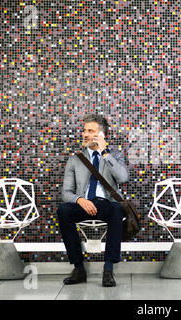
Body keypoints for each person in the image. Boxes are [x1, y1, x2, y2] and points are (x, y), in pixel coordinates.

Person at [57, 114, 129, 287]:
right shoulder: (75, 159)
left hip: (106, 204)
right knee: (63, 210)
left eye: (91, 131)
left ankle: (108, 269)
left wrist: (104, 153)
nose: (85, 134)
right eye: (84, 130)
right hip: (83, 203)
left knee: (117, 210)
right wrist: (80, 200)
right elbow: (65, 192)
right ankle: (79, 268)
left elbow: (123, 177)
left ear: (102, 134)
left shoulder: (115, 155)